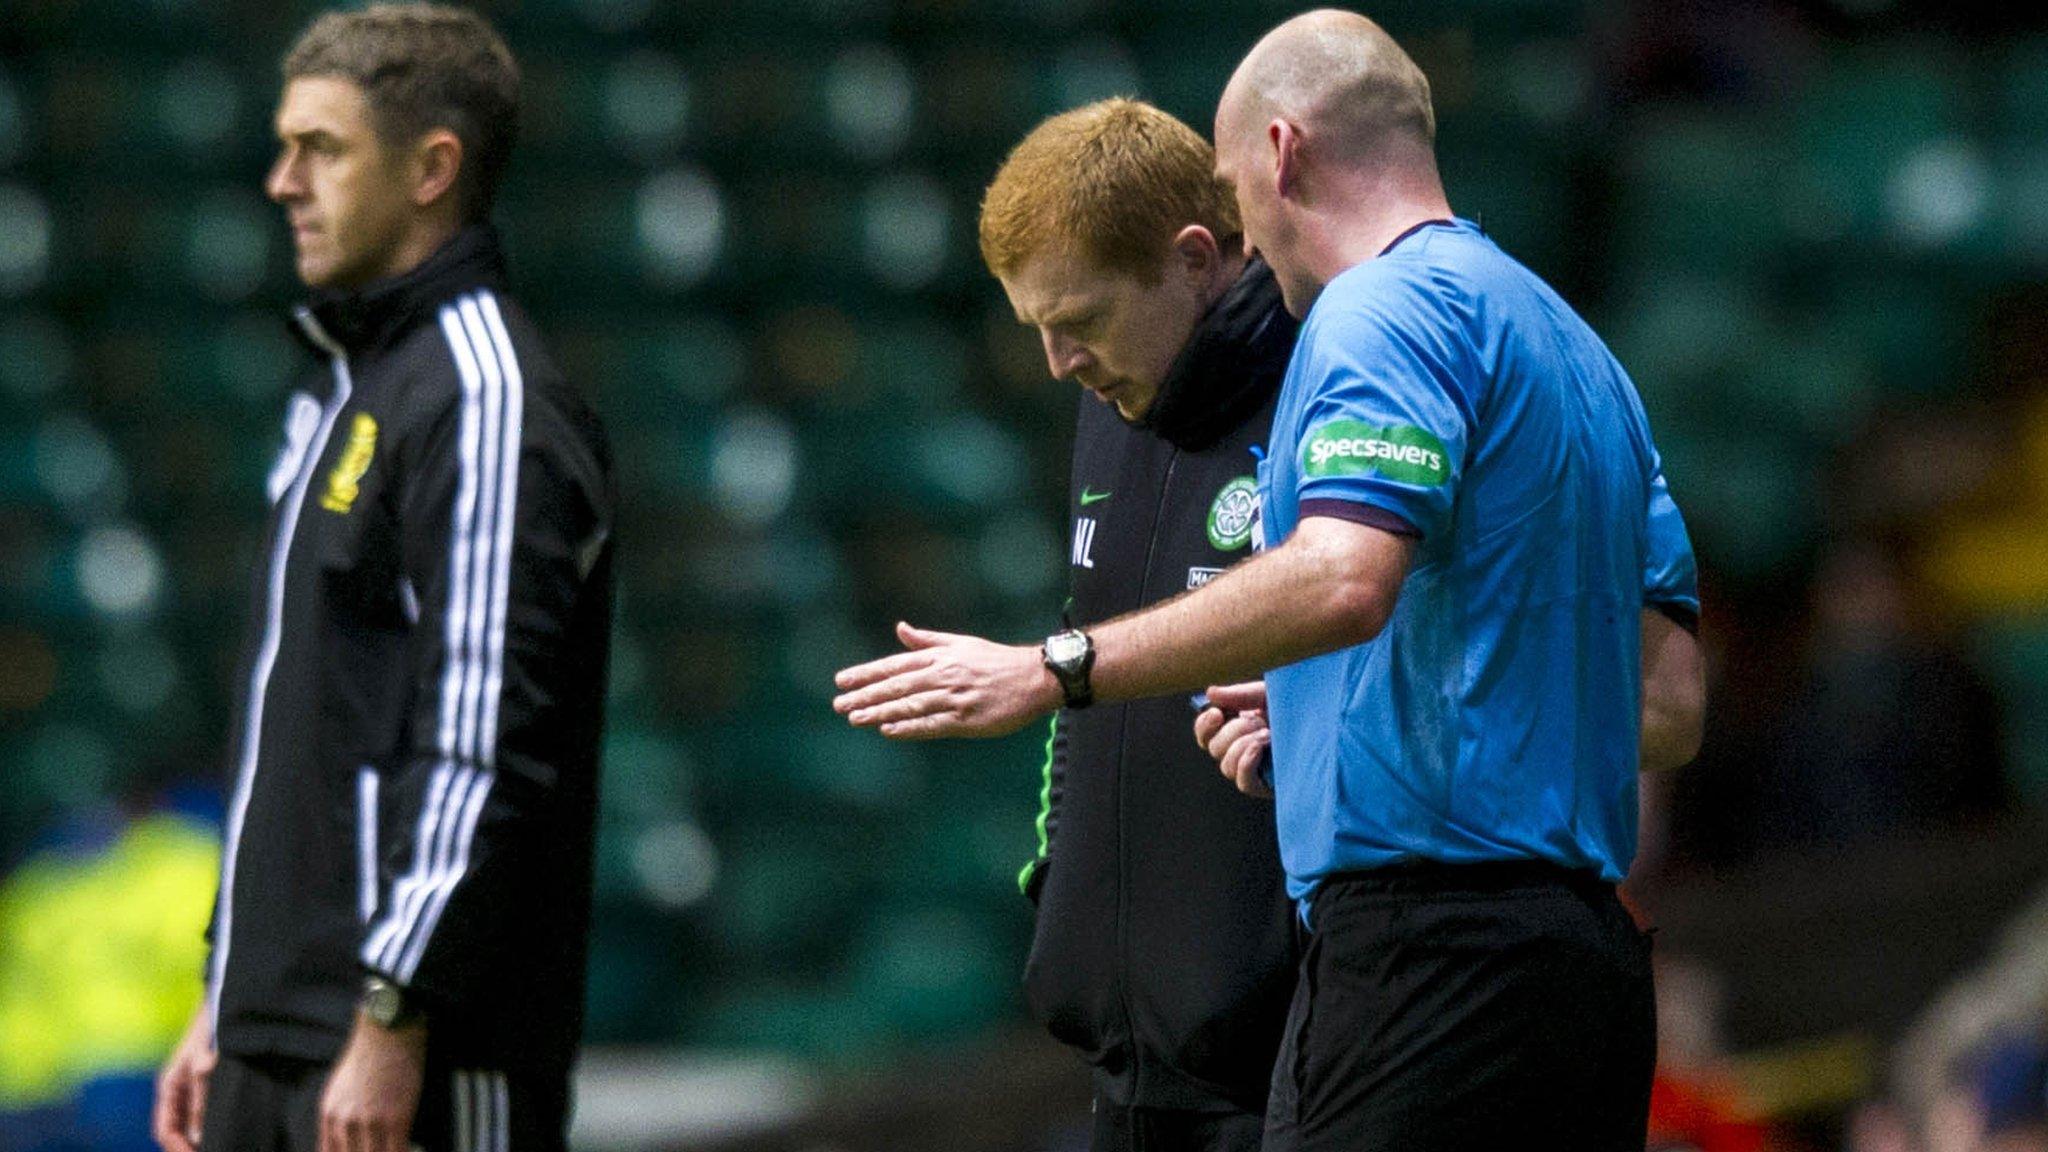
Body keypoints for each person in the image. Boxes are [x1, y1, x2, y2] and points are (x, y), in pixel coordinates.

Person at [832, 9, 1704, 1148]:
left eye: (1236, 193)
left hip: (1422, 959)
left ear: (1282, 153)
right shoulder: (1572, 346)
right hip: (1574, 963)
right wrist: (1336, 713)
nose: (1244, 233)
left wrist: (1061, 669)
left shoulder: (1372, 312)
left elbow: (1343, 580)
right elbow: (1667, 704)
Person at [151, 8, 615, 1152]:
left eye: (321, 147)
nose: (280, 181)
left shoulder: (486, 399)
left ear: (430, 169)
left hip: (412, 1054)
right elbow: (293, 732)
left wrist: (392, 1016)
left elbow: (484, 739)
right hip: (278, 1034)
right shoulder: (342, 387)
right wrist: (228, 998)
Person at [978, 98, 1300, 1151]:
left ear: (1196, 258)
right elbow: (1089, 652)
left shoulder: (1329, 388)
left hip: (1286, 1067)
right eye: (1035, 328)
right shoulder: (1107, 402)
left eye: (1078, 321)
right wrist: (1059, 890)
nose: (1056, 362)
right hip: (1126, 1064)